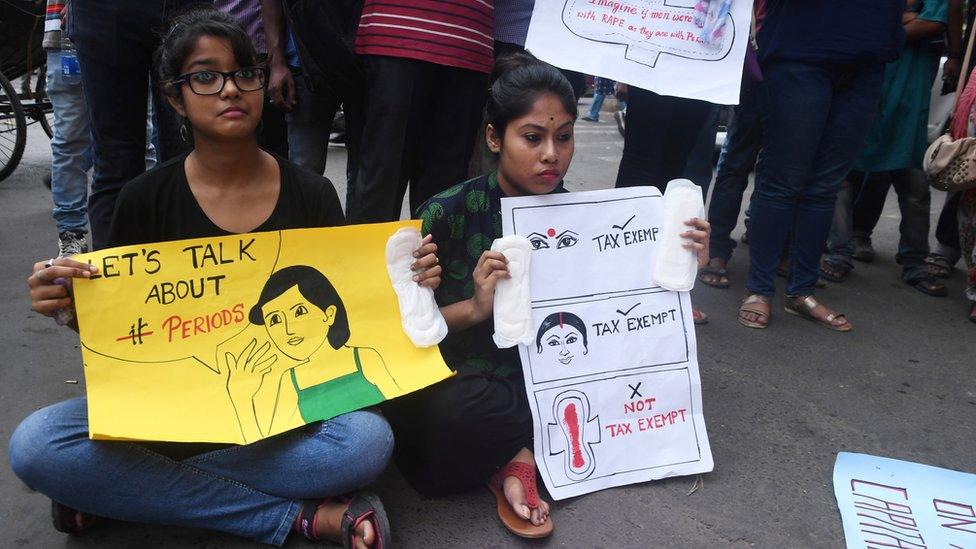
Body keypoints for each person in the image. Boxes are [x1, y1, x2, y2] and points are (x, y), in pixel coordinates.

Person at [12, 7, 440, 546]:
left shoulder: (312, 193)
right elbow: (125, 339)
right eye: (205, 77)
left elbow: (347, 319)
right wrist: (70, 307)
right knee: (35, 445)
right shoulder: (143, 200)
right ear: (175, 98)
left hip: (283, 417)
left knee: (366, 441)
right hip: (169, 412)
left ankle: (124, 488)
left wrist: (408, 284)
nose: (230, 90)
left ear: (262, 83)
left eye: (245, 73)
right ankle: (299, 518)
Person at [382, 53, 711, 539]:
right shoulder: (445, 214)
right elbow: (409, 331)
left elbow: (628, 317)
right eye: (532, 137)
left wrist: (683, 263)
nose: (551, 154)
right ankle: (529, 452)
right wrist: (475, 307)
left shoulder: (591, 219)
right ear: (495, 138)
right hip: (472, 384)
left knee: (622, 393)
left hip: (555, 379)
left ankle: (519, 455)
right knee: (440, 413)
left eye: (564, 136)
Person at [737, 1, 904, 331]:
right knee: (783, 179)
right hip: (799, 50)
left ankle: (801, 292)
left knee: (827, 185)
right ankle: (759, 289)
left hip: (868, 56)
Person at [822, 0, 948, 297]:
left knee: (914, 183)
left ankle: (915, 262)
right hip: (860, 81)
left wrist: (879, 25)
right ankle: (839, 251)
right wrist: (904, 19)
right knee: (841, 175)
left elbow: (933, 22)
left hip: (907, 93)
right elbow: (848, 19)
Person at [69, 0, 196, 250]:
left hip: (182, 7)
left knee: (195, 158)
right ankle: (116, 284)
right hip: (105, 13)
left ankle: (201, 280)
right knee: (117, 163)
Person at [43, 0, 93, 257]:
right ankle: (71, 233)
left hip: (126, 28)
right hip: (68, 37)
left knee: (137, 139)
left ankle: (135, 224)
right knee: (70, 140)